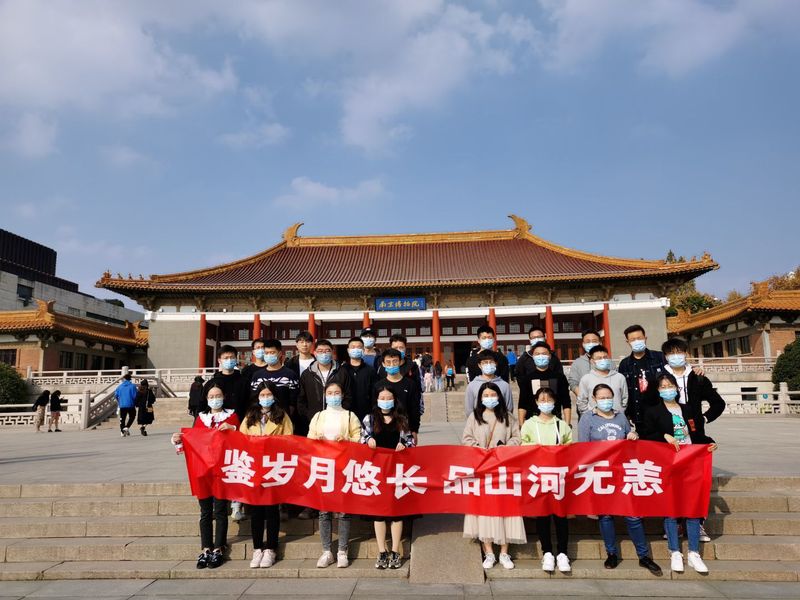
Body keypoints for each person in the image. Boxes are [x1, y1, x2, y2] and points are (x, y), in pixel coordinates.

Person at [577, 383, 662, 575]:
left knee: (633, 515)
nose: (606, 400)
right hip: (601, 473)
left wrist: (633, 435)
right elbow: (583, 448)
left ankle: (644, 556)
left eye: (609, 397)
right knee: (606, 515)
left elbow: (629, 440)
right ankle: (612, 553)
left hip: (623, 472)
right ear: (594, 399)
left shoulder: (621, 416)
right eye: (602, 397)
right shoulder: (587, 419)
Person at [640, 373, 718, 574]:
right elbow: (646, 435)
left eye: (670, 385)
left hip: (690, 462)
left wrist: (709, 442)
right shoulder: (653, 411)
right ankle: (674, 551)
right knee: (671, 509)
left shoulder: (688, 409)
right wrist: (663, 435)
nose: (667, 389)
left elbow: (696, 433)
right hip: (668, 464)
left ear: (677, 388)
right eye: (663, 386)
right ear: (658, 390)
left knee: (692, 508)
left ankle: (694, 552)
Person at [661, 337, 726, 543]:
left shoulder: (697, 378)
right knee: (672, 484)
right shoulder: (660, 377)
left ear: (686, 353)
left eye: (679, 352)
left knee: (695, 484)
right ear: (665, 356)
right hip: (669, 438)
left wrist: (703, 418)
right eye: (671, 353)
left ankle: (697, 524)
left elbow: (718, 403)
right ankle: (675, 524)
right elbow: (650, 405)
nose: (676, 356)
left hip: (694, 437)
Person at [170, 384, 240, 569]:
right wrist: (178, 440)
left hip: (223, 470)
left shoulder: (232, 416)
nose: (215, 399)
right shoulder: (200, 418)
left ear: (224, 397)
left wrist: (233, 428)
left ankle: (219, 547)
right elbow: (192, 441)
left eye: (218, 395)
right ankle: (206, 548)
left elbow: (243, 440)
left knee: (220, 511)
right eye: (211, 396)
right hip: (203, 471)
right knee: (205, 512)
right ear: (206, 399)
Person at [462, 382, 524, 570]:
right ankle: (488, 551)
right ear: (480, 398)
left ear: (499, 396)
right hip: (482, 469)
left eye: (493, 394)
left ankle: (504, 552)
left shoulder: (508, 417)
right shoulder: (475, 417)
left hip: (504, 469)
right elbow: (466, 439)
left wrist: (504, 448)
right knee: (484, 510)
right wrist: (480, 450)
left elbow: (517, 438)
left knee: (506, 509)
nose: (490, 398)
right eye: (486, 395)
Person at [308, 381, 362, 568]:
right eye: (330, 392)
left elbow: (359, 438)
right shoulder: (318, 416)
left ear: (342, 395)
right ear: (325, 394)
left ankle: (342, 550)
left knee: (344, 511)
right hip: (324, 468)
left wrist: (347, 440)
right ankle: (326, 551)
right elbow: (308, 440)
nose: (333, 396)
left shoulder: (349, 416)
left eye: (336, 392)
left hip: (343, 467)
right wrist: (316, 440)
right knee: (324, 511)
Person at [240, 382, 293, 569]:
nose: (265, 398)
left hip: (273, 467)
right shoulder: (250, 416)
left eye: (268, 394)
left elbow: (289, 440)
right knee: (256, 511)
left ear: (274, 396)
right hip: (254, 467)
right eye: (262, 395)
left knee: (271, 510)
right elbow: (241, 439)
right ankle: (257, 548)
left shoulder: (282, 416)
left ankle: (271, 548)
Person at [361, 387, 415, 570]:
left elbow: (411, 442)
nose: (385, 401)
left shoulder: (402, 419)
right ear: (377, 399)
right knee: (379, 513)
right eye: (382, 397)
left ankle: (395, 551)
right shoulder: (370, 419)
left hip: (396, 473)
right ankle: (382, 551)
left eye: (388, 397)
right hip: (376, 473)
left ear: (394, 399)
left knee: (396, 513)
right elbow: (360, 441)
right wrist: (367, 441)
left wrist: (405, 445)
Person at [520, 388, 572, 573]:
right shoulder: (529, 424)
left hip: (558, 477)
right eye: (542, 400)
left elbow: (571, 448)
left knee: (561, 516)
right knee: (542, 515)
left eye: (549, 399)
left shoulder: (562, 425)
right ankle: (547, 552)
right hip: (538, 477)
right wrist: (535, 448)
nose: (546, 403)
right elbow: (522, 445)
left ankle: (563, 553)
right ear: (536, 402)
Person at [617, 325, 666, 429]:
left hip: (662, 411)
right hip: (638, 415)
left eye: (639, 338)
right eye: (633, 340)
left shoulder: (660, 357)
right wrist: (627, 414)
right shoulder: (624, 364)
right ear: (628, 342)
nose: (637, 341)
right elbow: (623, 390)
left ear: (645, 338)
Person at [516, 342, 571, 428]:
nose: (541, 356)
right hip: (533, 422)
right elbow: (522, 403)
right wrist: (521, 425)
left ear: (549, 356)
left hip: (554, 421)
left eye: (544, 353)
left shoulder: (559, 377)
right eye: (537, 354)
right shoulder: (527, 379)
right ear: (533, 357)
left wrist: (567, 424)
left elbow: (566, 402)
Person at [373, 348, 422, 444]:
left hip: (404, 431)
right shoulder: (378, 385)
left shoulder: (410, 384)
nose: (392, 365)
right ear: (383, 364)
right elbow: (374, 409)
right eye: (388, 362)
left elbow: (414, 409)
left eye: (395, 361)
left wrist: (414, 430)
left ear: (400, 362)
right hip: (382, 431)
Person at [249, 339, 300, 418]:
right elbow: (254, 399)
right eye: (266, 353)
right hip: (262, 418)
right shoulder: (257, 376)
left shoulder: (290, 374)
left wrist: (287, 416)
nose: (269, 355)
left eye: (272, 352)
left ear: (279, 354)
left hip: (284, 418)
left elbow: (294, 400)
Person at [577, 345, 627, 417]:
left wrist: (620, 412)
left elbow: (624, 398)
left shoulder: (619, 377)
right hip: (594, 419)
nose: (603, 360)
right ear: (592, 361)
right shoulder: (586, 379)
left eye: (605, 357)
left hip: (616, 418)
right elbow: (582, 401)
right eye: (599, 358)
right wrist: (589, 416)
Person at [202, 345, 248, 420]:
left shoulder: (244, 381)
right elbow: (202, 405)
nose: (229, 360)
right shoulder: (211, 383)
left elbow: (249, 404)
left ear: (236, 359)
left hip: (239, 421)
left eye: (232, 357)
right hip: (217, 422)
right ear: (219, 360)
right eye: (226, 358)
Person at [463, 352, 513, 418]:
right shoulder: (472, 386)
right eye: (485, 362)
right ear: (479, 365)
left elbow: (509, 408)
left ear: (496, 364)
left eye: (491, 362)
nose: (488, 365)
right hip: (478, 422)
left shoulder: (505, 385)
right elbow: (469, 409)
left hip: (501, 422)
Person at [340, 336, 378, 421]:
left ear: (363, 350)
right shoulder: (342, 370)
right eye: (353, 347)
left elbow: (374, 393)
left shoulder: (370, 370)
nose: (356, 349)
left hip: (366, 413)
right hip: (346, 413)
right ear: (348, 350)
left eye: (359, 347)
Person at [568, 329, 614, 397]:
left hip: (606, 398)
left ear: (600, 343)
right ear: (583, 344)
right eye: (588, 341)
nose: (591, 343)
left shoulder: (609, 362)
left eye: (594, 341)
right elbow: (573, 382)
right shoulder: (577, 363)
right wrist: (580, 394)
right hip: (585, 400)